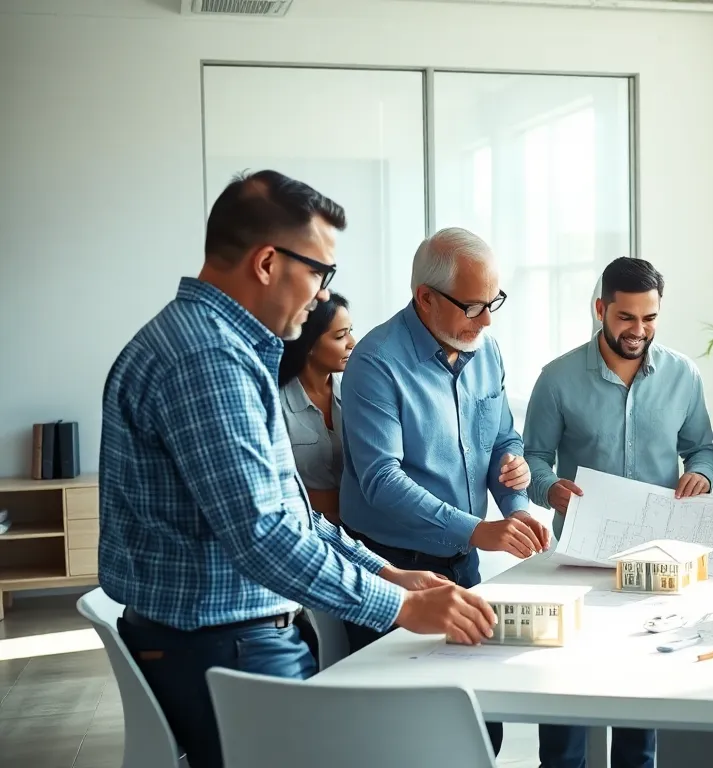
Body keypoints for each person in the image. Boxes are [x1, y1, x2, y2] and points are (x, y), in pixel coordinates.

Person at [98, 170, 495, 768]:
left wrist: (387, 572)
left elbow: (293, 513)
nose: (321, 296)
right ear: (265, 263)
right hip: (224, 648)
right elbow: (265, 537)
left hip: (230, 640)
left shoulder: (223, 347)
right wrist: (399, 607)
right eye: (319, 272)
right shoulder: (207, 359)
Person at [338, 226, 551, 755]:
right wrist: (479, 528)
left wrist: (517, 502)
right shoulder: (375, 362)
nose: (487, 320)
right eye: (473, 306)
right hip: (390, 566)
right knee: (403, 736)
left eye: (493, 302)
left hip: (462, 565)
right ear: (425, 298)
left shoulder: (487, 349)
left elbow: (503, 437)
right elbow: (381, 480)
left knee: (479, 727)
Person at [524, 256, 713, 768]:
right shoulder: (558, 378)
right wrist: (550, 489)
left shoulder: (683, 376)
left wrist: (701, 472)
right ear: (600, 310)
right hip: (578, 561)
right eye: (625, 318)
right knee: (565, 696)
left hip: (656, 562)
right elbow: (533, 457)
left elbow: (703, 448)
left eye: (649, 319)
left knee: (640, 700)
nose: (638, 331)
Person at [278, 291, 355, 526]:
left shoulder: (358, 392)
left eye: (350, 331)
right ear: (309, 344)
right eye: (341, 336)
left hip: (362, 532)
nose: (352, 343)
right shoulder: (275, 402)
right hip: (305, 530)